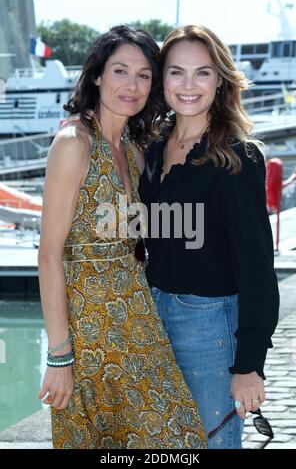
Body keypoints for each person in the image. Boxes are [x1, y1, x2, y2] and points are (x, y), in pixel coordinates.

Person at [37, 25, 207, 450]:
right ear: (97, 75)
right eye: (120, 71)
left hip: (140, 322)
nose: (131, 85)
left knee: (181, 438)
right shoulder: (73, 144)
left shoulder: (133, 148)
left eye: (144, 74)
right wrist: (59, 356)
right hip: (90, 335)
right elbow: (48, 256)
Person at [138, 25, 280, 449]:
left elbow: (257, 267)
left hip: (210, 324)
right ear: (162, 79)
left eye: (202, 73)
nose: (188, 85)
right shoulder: (152, 149)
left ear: (219, 80)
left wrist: (250, 365)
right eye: (177, 72)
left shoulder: (236, 158)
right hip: (154, 313)